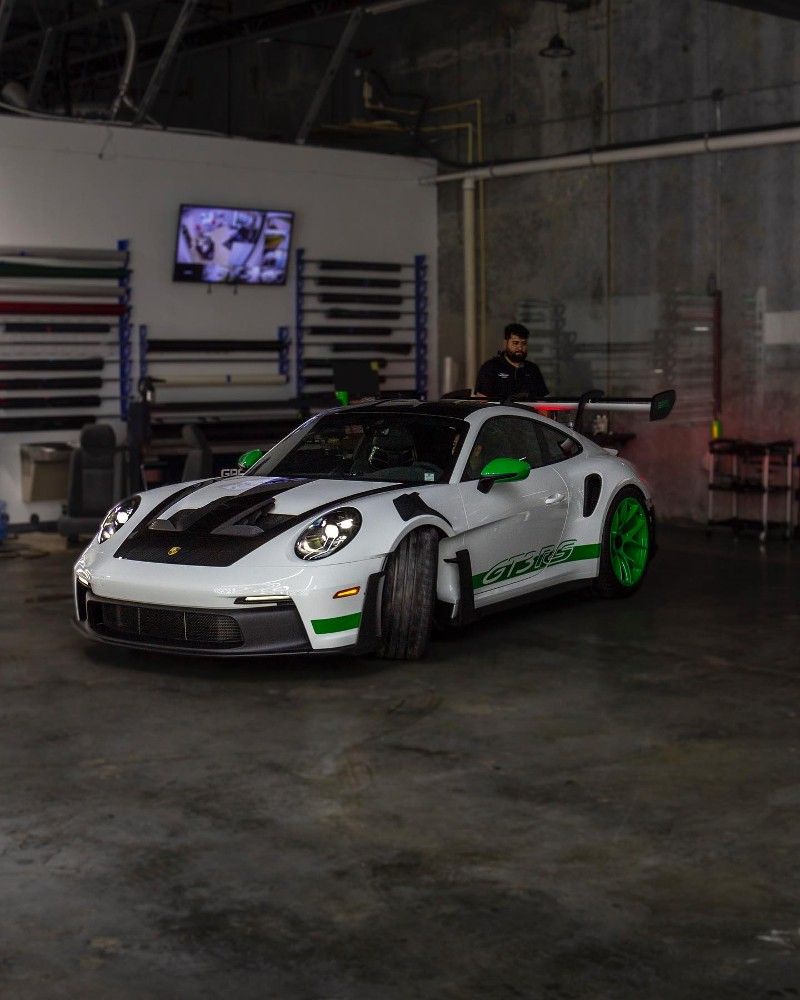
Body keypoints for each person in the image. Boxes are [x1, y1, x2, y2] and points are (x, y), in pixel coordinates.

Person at [475, 323, 549, 402]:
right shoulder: (491, 367)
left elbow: (543, 401)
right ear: (505, 343)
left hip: (528, 413)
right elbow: (481, 402)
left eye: (524, 343)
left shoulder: (532, 369)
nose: (520, 347)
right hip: (499, 413)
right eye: (515, 343)